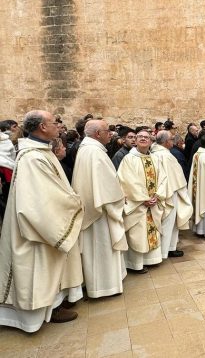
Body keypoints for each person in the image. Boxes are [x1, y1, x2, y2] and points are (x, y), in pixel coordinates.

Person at [0, 110, 84, 332]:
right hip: (37, 226)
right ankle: (34, 316)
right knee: (37, 266)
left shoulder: (41, 152)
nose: (58, 125)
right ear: (42, 127)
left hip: (44, 220)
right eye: (54, 122)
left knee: (47, 266)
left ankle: (53, 306)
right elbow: (40, 200)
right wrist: (73, 204)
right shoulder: (33, 157)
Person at [72, 120, 128, 298]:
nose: (110, 134)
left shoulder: (87, 149)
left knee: (96, 249)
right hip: (101, 211)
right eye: (107, 131)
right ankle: (105, 286)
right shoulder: (95, 153)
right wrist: (120, 199)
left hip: (93, 208)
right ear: (97, 134)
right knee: (102, 248)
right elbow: (107, 187)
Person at [117, 129, 169, 273]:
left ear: (151, 141)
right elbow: (127, 181)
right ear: (135, 140)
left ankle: (151, 259)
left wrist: (157, 196)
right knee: (138, 234)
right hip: (138, 204)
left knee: (151, 231)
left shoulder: (155, 159)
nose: (143, 139)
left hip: (153, 202)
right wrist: (143, 199)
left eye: (146, 137)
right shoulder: (129, 159)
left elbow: (163, 178)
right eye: (140, 136)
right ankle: (136, 264)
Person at [151, 131, 193, 258]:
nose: (173, 141)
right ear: (165, 142)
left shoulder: (153, 152)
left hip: (159, 193)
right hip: (170, 193)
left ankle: (165, 248)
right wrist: (183, 192)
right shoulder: (166, 156)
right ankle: (167, 249)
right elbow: (177, 178)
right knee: (169, 223)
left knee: (163, 222)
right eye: (171, 139)